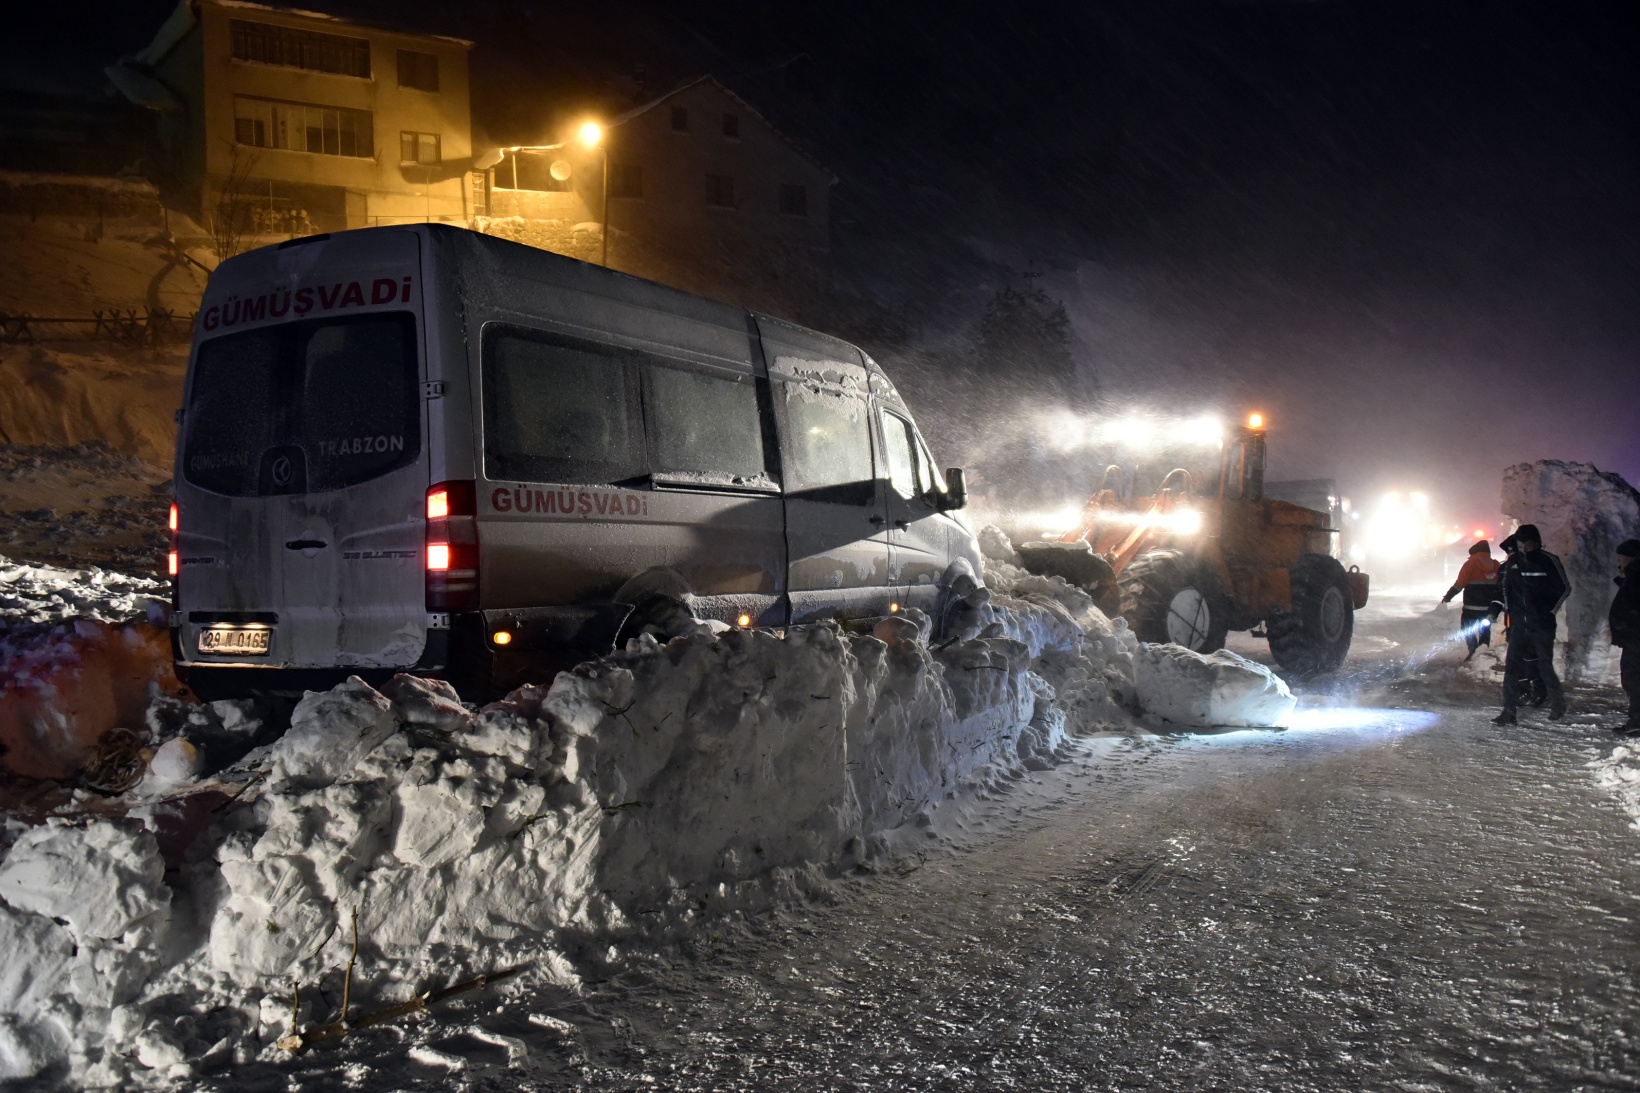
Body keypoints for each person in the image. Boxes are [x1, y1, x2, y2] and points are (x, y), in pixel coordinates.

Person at [1494, 524, 1570, 724]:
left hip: (1542, 625)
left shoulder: (1548, 560)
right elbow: (1507, 592)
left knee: (1545, 665)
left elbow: (1563, 589)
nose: (1525, 547)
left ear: (1536, 542)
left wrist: (1548, 612)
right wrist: (1508, 617)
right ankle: (1509, 712)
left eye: (1528, 543)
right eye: (1522, 543)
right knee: (1511, 668)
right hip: (1519, 625)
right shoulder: (1513, 563)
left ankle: (1557, 704)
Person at [1442, 539, 1501, 660]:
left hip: (1471, 606)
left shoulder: (1470, 564)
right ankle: (1483, 651)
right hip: (1489, 607)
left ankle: (1473, 649)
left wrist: (1449, 596)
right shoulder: (1496, 565)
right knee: (1485, 629)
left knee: (1467, 628)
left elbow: (1460, 584)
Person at [1609, 539, 1640, 734]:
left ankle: (1636, 721)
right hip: (1633, 637)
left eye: (1621, 557)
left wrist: (1625, 623)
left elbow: (1633, 604)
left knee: (1632, 678)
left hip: (1635, 638)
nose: (1619, 561)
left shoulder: (1636, 575)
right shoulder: (1633, 575)